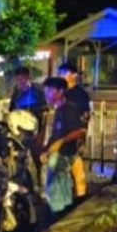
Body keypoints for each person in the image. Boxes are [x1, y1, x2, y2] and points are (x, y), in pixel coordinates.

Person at [40, 77, 86, 214]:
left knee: (55, 186)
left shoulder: (69, 109)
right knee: (61, 186)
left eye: (50, 90)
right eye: (46, 91)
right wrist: (46, 149)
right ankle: (63, 212)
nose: (47, 94)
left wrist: (61, 142)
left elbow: (79, 132)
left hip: (64, 154)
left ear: (60, 91)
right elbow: (56, 134)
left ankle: (58, 213)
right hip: (57, 153)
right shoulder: (59, 110)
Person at [59, 62, 91, 198]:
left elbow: (85, 114)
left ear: (74, 75)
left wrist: (81, 132)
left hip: (76, 131)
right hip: (62, 131)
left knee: (76, 162)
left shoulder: (80, 94)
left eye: (65, 73)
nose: (62, 76)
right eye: (60, 74)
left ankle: (81, 192)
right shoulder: (61, 91)